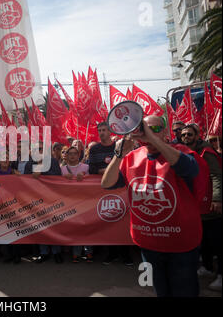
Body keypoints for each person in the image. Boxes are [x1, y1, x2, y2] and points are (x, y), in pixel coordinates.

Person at [101, 115, 203, 297]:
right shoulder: (131, 158)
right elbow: (107, 184)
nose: (149, 134)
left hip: (181, 243)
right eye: (145, 129)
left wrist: (154, 139)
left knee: (184, 291)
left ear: (165, 132)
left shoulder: (181, 152)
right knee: (160, 291)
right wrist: (119, 155)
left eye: (155, 129)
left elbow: (191, 170)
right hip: (148, 243)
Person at [181, 124, 222, 291]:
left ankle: (221, 275)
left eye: (189, 134)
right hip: (197, 205)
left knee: (217, 242)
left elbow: (216, 175)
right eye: (183, 135)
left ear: (198, 136)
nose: (186, 137)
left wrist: (218, 199)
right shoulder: (186, 152)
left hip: (211, 205)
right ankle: (207, 268)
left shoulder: (206, 153)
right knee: (203, 240)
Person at [88, 123, 133, 266]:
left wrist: (112, 170)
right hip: (103, 191)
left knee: (123, 221)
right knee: (109, 220)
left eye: (104, 130)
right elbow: (92, 168)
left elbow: (126, 164)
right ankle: (111, 254)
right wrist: (105, 172)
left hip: (121, 189)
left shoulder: (119, 146)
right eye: (99, 130)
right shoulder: (94, 149)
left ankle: (126, 255)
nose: (101, 132)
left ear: (110, 131)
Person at [24, 141, 63, 264]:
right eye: (35, 149)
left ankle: (56, 252)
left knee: (53, 225)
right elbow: (24, 181)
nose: (38, 152)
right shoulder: (29, 164)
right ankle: (44, 252)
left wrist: (42, 171)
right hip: (36, 199)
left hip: (51, 198)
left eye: (40, 149)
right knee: (40, 226)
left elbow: (57, 176)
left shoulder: (53, 161)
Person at [61, 146, 93, 263]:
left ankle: (89, 252)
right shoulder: (63, 169)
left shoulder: (86, 167)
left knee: (86, 227)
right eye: (70, 154)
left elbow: (93, 181)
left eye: (75, 153)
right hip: (69, 202)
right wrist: (63, 178)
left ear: (79, 155)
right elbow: (56, 184)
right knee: (75, 228)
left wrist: (85, 176)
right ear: (67, 156)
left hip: (85, 201)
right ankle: (76, 253)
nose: (73, 156)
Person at [0, 157, 21, 265]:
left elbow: (23, 183)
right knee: (5, 231)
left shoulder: (15, 172)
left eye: (7, 159)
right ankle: (8, 255)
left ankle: (17, 255)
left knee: (15, 230)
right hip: (0, 206)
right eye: (3, 159)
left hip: (14, 205)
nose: (5, 161)